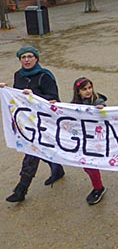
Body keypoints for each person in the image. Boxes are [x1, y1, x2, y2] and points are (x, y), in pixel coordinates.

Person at [2, 46, 65, 203]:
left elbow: (53, 98)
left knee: (32, 152)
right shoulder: (18, 75)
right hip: (28, 121)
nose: (27, 60)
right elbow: (16, 97)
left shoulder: (45, 76)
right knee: (40, 149)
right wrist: (5, 90)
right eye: (23, 57)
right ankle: (57, 169)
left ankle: (21, 190)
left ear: (36, 58)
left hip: (44, 121)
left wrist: (33, 95)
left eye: (30, 56)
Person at [71, 77, 108, 205]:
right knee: (86, 166)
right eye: (84, 89)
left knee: (90, 164)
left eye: (89, 88)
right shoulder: (74, 105)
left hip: (95, 138)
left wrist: (101, 109)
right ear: (78, 92)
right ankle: (97, 186)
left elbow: (104, 110)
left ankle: (98, 188)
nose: (88, 91)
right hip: (83, 138)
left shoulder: (97, 100)